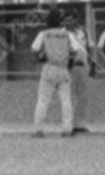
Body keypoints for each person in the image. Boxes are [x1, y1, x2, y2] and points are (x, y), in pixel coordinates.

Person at [28, 7, 86, 138]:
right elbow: (75, 50)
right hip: (63, 69)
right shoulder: (67, 35)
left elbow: (34, 49)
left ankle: (38, 129)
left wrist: (42, 55)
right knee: (66, 100)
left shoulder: (43, 34)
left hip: (48, 68)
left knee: (43, 100)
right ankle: (67, 129)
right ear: (60, 21)